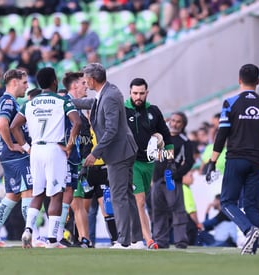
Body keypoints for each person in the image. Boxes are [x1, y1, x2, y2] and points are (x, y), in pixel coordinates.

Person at [205, 64, 259, 255]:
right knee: (251, 204)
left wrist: (212, 161)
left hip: (237, 158)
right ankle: (251, 249)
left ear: (239, 80)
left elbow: (222, 134)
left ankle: (248, 230)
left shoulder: (230, 103)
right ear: (258, 81)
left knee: (227, 202)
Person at [72, 63, 143, 249]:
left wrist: (95, 153)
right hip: (124, 149)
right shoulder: (107, 92)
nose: (85, 83)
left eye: (86, 79)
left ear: (93, 79)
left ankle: (124, 241)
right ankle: (136, 240)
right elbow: (91, 104)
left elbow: (111, 130)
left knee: (119, 196)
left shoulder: (109, 96)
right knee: (126, 195)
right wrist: (67, 101)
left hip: (119, 152)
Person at [11, 67, 81, 248]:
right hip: (54, 149)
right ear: (54, 82)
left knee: (38, 193)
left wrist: (26, 147)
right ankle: (52, 239)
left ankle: (28, 229)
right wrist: (70, 145)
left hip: (35, 150)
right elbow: (77, 122)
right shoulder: (61, 100)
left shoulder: (29, 103)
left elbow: (13, 127)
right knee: (56, 194)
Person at [0, 69, 34, 248]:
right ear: (14, 82)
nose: (27, 87)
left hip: (7, 155)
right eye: (24, 83)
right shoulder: (7, 101)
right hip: (15, 154)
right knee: (29, 190)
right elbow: (2, 124)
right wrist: (12, 145)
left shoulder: (8, 101)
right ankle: (31, 234)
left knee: (12, 195)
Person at [124, 77, 174, 249]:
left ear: (147, 93)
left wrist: (170, 155)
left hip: (150, 163)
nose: (138, 96)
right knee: (140, 202)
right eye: (135, 93)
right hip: (132, 163)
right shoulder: (122, 110)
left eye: (141, 93)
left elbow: (166, 135)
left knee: (145, 201)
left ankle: (134, 236)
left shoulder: (154, 110)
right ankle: (147, 238)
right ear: (130, 92)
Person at [152, 111, 194, 249]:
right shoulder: (160, 137)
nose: (174, 123)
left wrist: (176, 175)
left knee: (178, 211)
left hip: (172, 181)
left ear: (183, 124)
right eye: (173, 120)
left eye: (178, 121)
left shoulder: (185, 141)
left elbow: (189, 162)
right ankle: (160, 241)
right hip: (157, 180)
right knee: (158, 211)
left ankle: (181, 241)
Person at [61, 71, 93, 247]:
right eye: (82, 83)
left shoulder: (78, 109)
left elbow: (85, 137)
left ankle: (80, 238)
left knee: (76, 202)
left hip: (75, 160)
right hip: (67, 160)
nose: (86, 85)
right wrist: (69, 147)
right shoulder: (66, 106)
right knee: (73, 202)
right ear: (74, 86)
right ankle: (79, 238)